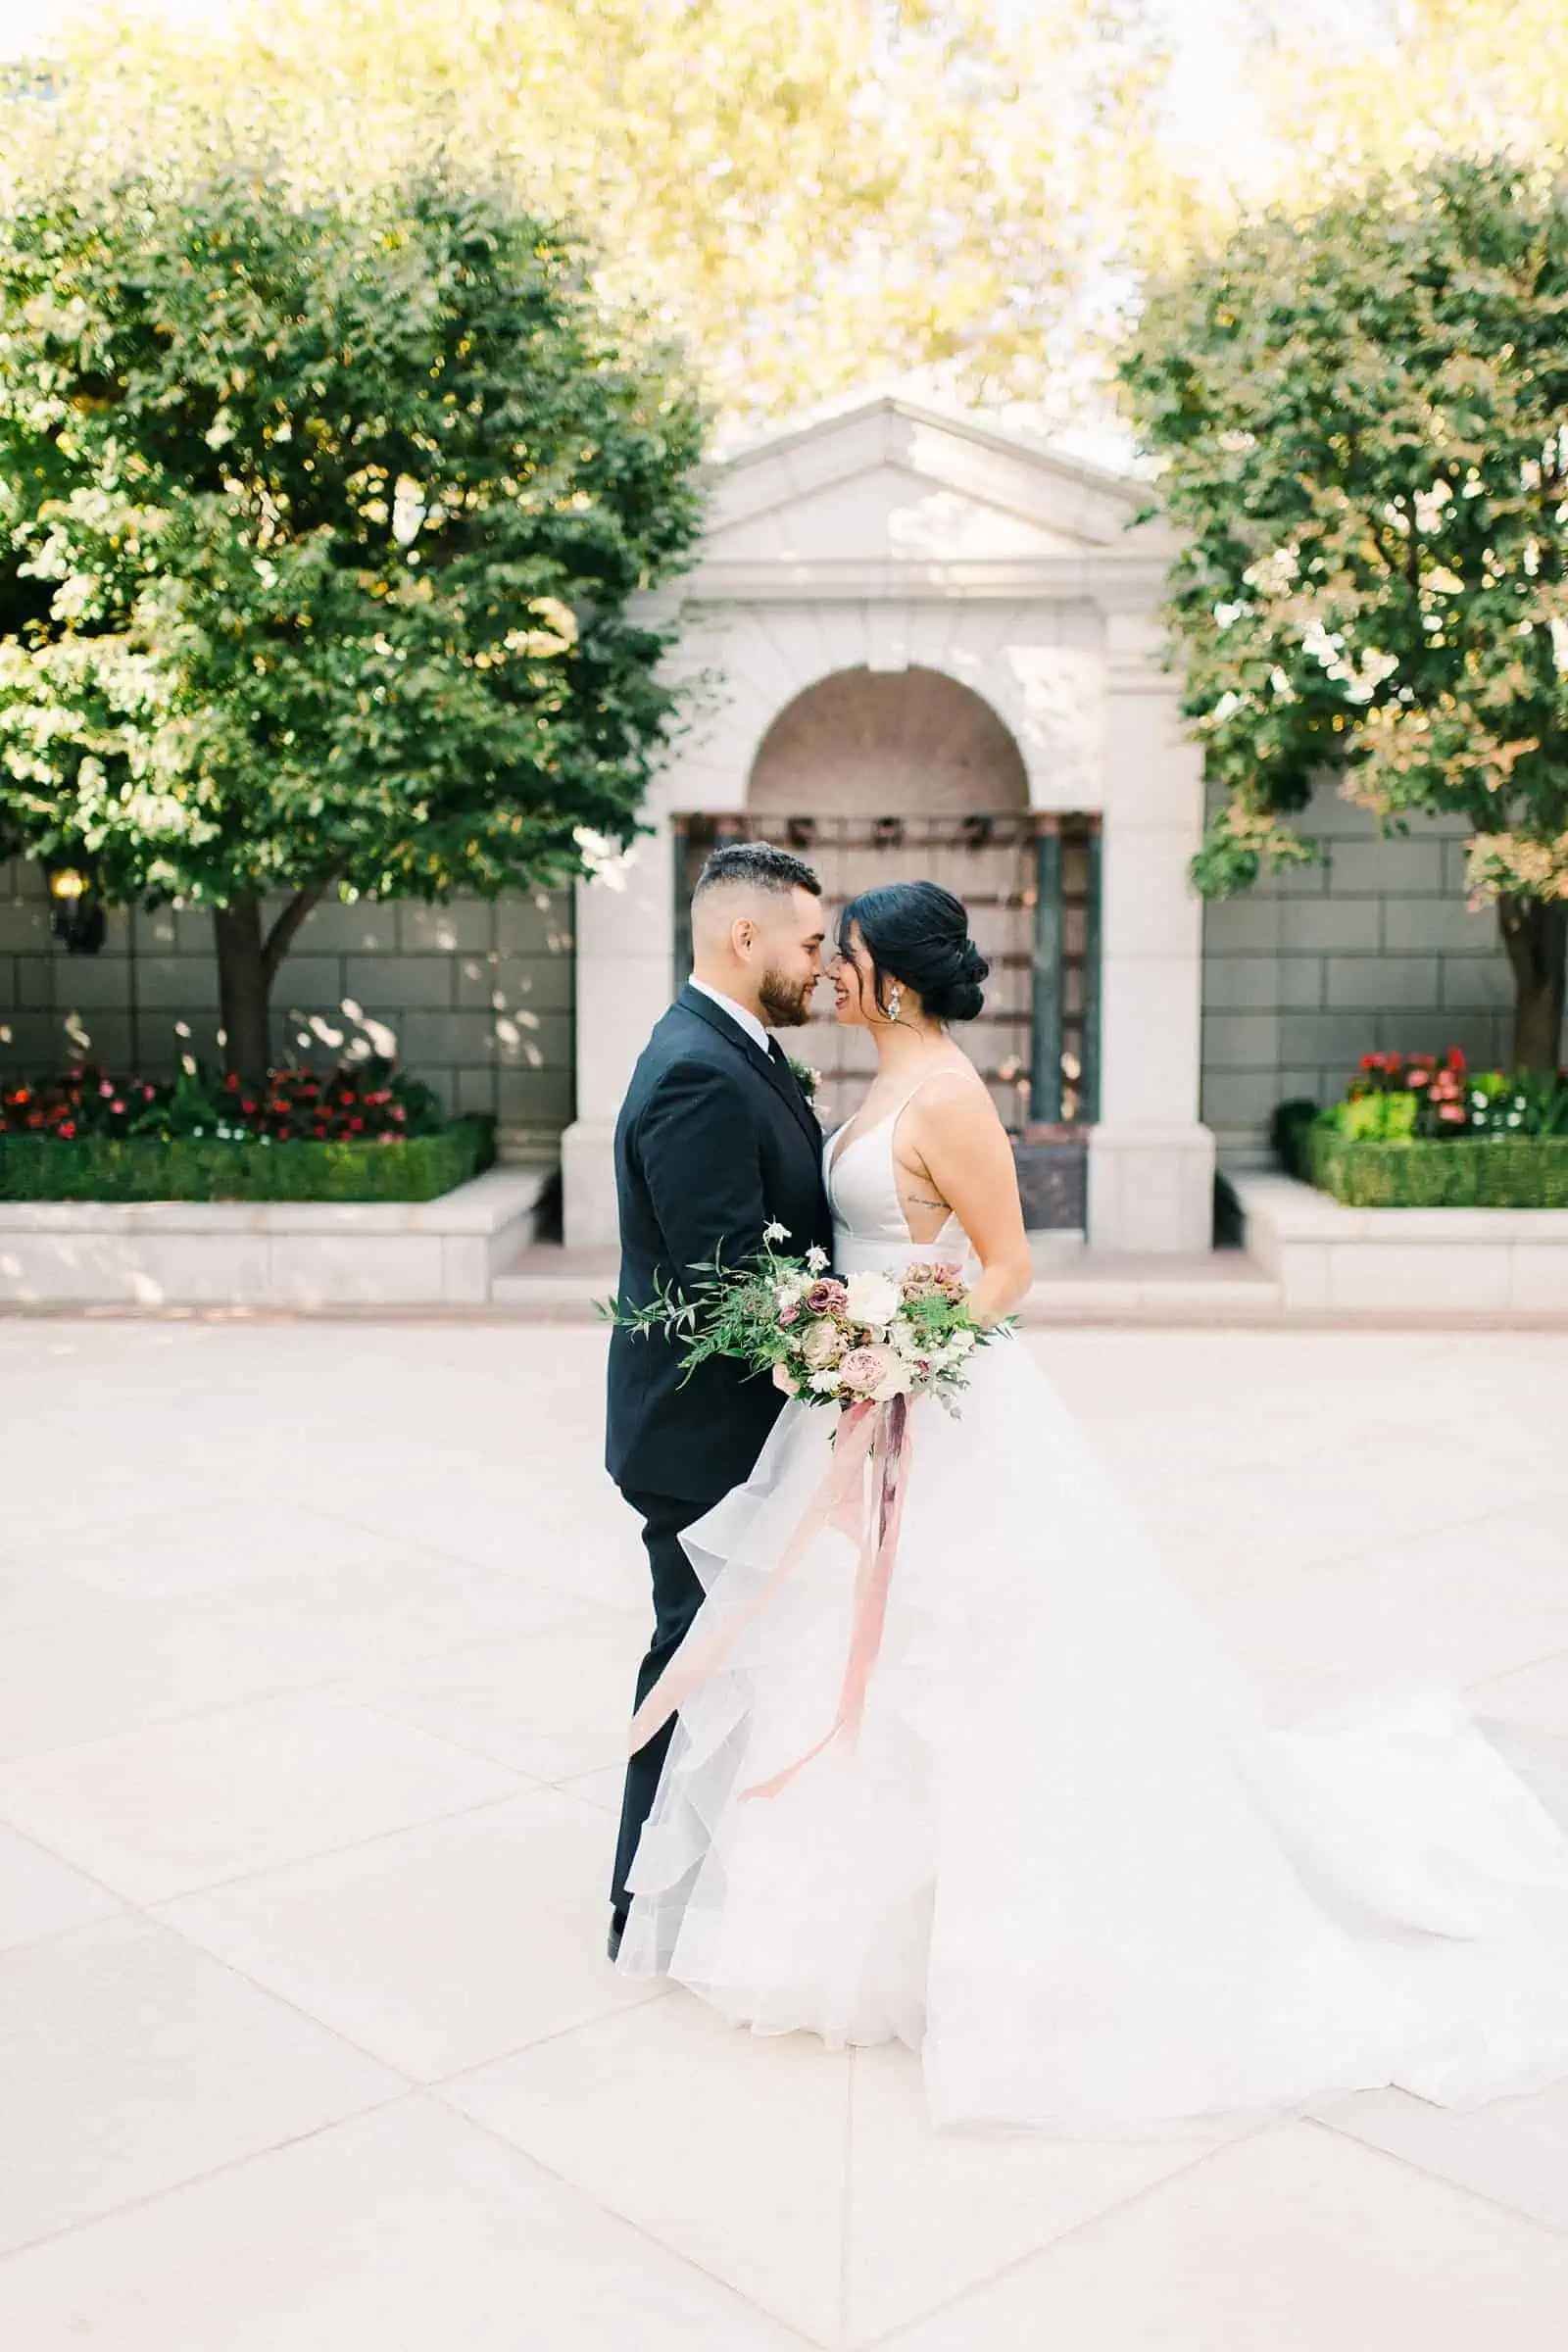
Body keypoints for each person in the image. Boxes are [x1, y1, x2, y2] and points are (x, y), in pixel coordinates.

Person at [615, 877, 1568, 2132]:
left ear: (889, 977)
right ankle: (850, 1914)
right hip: (856, 1407)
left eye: (839, 953)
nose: (826, 971)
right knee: (855, 1658)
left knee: (977, 1662)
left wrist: (902, 1353)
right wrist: (857, 1355)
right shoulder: (866, 1085)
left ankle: (1001, 1926)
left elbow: (1007, 1265)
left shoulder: (950, 1095)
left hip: (936, 1405)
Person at [606, 841, 835, 1963]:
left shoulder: (732, 1047)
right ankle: (642, 1905)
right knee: (695, 1660)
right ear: (744, 939)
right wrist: (854, 1336)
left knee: (724, 1660)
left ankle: (697, 1892)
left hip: (729, 1427)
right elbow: (727, 1285)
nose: (820, 963)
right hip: (704, 1438)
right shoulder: (699, 1066)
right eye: (807, 941)